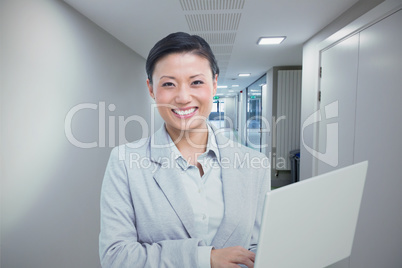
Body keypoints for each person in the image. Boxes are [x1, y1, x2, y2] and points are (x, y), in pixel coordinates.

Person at [99, 32, 271, 268]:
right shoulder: (125, 162)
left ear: (214, 84)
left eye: (196, 82)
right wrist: (204, 259)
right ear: (151, 89)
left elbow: (260, 248)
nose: (182, 97)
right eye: (168, 84)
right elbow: (115, 256)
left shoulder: (255, 165)